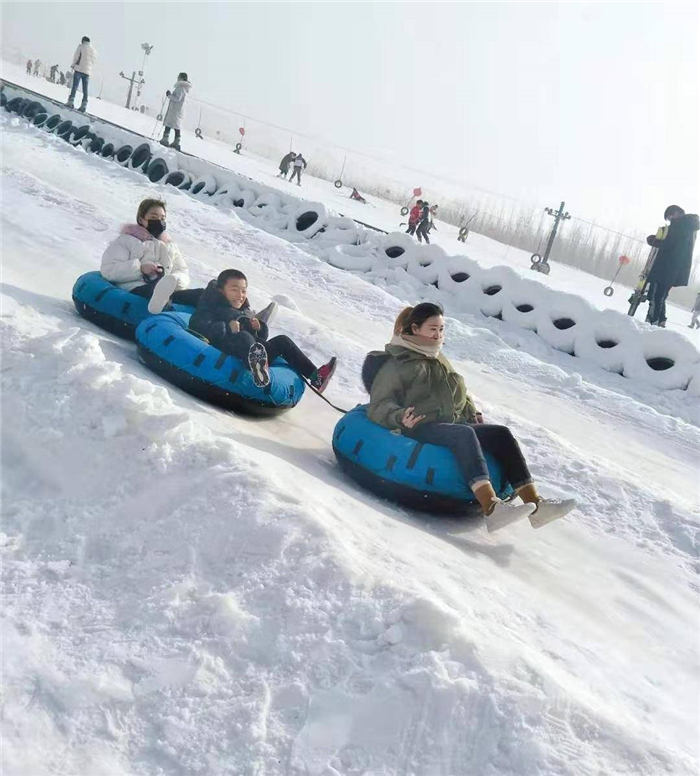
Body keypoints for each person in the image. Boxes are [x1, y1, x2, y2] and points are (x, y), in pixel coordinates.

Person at [365, 303, 576, 531]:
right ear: (415, 329)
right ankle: (491, 508)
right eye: (433, 329)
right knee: (463, 434)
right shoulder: (397, 363)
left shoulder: (437, 358)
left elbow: (459, 393)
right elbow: (379, 404)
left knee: (501, 433)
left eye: (442, 329)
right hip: (419, 426)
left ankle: (535, 505)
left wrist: (471, 411)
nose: (439, 335)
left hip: (448, 423)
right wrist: (399, 416)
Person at [189, 269, 337, 391]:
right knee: (244, 337)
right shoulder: (210, 305)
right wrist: (227, 327)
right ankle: (257, 367)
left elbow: (260, 339)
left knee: (283, 341)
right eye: (234, 290)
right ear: (221, 291)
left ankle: (316, 377)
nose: (240, 295)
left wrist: (258, 328)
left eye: (243, 291)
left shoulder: (242, 310)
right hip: (222, 348)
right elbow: (197, 325)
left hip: (252, 352)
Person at [100, 198, 204, 314]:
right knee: (155, 291)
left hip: (167, 290)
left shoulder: (169, 246)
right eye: (154, 218)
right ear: (141, 219)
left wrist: (174, 280)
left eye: (162, 219)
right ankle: (161, 309)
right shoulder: (126, 241)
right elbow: (109, 270)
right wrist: (140, 268)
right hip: (137, 287)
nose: (159, 222)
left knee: (202, 294)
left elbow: (182, 271)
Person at [645, 205, 699, 327]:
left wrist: (653, 241)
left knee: (656, 295)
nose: (670, 221)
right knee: (661, 295)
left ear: (675, 213)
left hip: (665, 267)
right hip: (675, 269)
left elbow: (670, 244)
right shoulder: (690, 226)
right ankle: (661, 321)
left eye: (670, 218)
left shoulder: (680, 224)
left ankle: (652, 323)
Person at [160, 73, 192, 151]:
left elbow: (177, 99)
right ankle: (176, 141)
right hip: (178, 110)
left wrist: (169, 96)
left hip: (175, 110)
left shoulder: (181, 88)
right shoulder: (185, 88)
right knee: (176, 126)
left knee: (170, 123)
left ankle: (165, 138)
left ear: (181, 78)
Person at [67, 36, 97, 112]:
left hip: (79, 69)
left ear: (83, 41)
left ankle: (71, 101)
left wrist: (73, 65)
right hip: (87, 72)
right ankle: (84, 104)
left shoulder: (81, 46)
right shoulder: (93, 50)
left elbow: (76, 56)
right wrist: (89, 68)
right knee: (85, 88)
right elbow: (93, 61)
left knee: (75, 86)